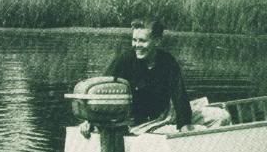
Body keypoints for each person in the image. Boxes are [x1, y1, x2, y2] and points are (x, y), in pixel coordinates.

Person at [79, 19, 229, 139]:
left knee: (222, 116)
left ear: (157, 41)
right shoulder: (124, 61)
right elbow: (100, 91)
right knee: (199, 130)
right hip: (140, 125)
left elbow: (180, 96)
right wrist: (90, 121)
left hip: (166, 114)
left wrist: (185, 125)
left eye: (142, 41)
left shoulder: (167, 61)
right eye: (134, 40)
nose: (137, 45)